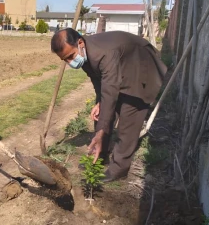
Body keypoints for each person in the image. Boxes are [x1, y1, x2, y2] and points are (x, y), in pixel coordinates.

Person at [50, 28, 167, 182]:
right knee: (101, 114)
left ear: (80, 43)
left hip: (141, 67)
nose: (70, 62)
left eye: (71, 56)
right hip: (120, 68)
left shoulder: (104, 53)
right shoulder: (84, 52)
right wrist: (99, 102)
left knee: (128, 117)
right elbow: (98, 80)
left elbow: (111, 91)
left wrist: (100, 131)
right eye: (65, 60)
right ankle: (100, 154)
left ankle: (119, 168)